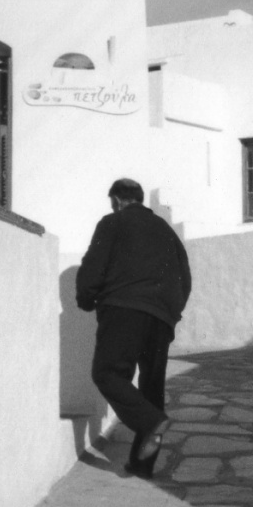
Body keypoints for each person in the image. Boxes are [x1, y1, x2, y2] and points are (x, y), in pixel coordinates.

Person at [76, 178, 192, 479]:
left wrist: (86, 299)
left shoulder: (113, 223)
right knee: (150, 388)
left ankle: (151, 421)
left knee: (108, 374)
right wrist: (171, 313)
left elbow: (93, 266)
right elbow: (185, 277)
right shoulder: (168, 232)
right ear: (140, 199)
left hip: (124, 310)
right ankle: (142, 465)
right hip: (162, 319)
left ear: (116, 200)